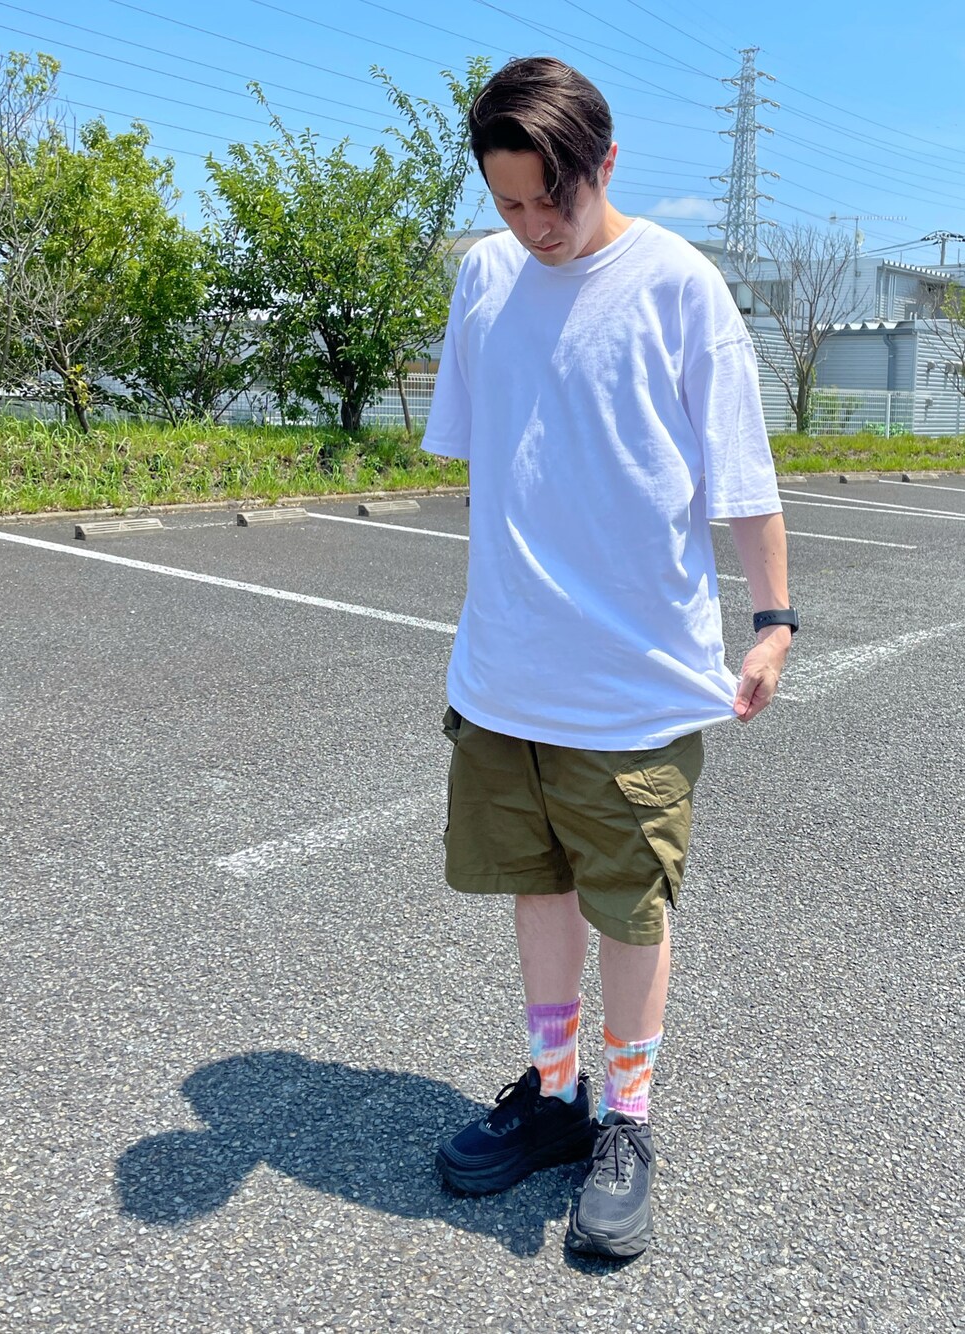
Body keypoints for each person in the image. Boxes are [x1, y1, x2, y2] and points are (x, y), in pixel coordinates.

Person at [421, 56, 796, 1261]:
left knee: (629, 907)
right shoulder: (484, 277)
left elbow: (741, 471)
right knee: (535, 885)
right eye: (509, 202)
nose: (534, 226)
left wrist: (774, 618)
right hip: (503, 675)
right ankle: (555, 1092)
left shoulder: (677, 284)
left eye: (555, 198)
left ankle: (627, 1120)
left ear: (607, 162)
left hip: (631, 684)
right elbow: (498, 456)